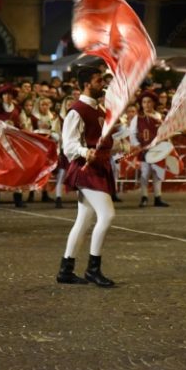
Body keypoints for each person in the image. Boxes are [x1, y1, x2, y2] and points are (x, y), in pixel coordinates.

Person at [56, 67, 117, 287]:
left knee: (83, 221)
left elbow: (101, 140)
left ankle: (66, 270)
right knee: (107, 215)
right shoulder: (77, 110)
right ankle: (93, 270)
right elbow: (69, 145)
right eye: (98, 80)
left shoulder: (99, 109)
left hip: (98, 167)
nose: (103, 83)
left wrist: (121, 145)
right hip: (86, 170)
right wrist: (84, 152)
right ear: (86, 85)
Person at [129, 90, 169, 207]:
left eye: (149, 102)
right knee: (145, 173)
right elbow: (132, 133)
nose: (147, 105)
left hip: (158, 150)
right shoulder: (138, 118)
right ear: (141, 104)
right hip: (144, 150)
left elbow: (165, 133)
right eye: (144, 102)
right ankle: (144, 196)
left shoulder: (160, 117)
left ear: (154, 103)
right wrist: (137, 144)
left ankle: (158, 197)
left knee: (157, 173)